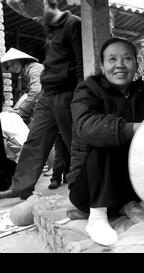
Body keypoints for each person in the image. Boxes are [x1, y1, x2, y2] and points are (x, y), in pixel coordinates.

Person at [69, 37, 144, 246]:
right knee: (108, 136)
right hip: (89, 188)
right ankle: (97, 218)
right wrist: (134, 128)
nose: (120, 65)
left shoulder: (142, 95)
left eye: (127, 59)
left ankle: (133, 204)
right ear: (102, 66)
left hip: (128, 186)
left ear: (137, 64)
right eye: (112, 59)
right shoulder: (87, 91)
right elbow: (87, 127)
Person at [0, 0, 83, 199]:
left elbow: (82, 65)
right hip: (48, 96)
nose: (36, 20)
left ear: (49, 4)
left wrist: (81, 98)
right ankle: (22, 187)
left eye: (37, 15)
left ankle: (84, 190)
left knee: (75, 144)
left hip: (67, 93)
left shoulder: (73, 24)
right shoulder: (51, 32)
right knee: (34, 140)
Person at [0, 48, 43, 125]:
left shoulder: (34, 67)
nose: (10, 67)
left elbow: (36, 90)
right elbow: (29, 95)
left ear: (21, 60)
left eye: (12, 63)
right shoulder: (25, 74)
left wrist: (23, 110)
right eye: (7, 67)